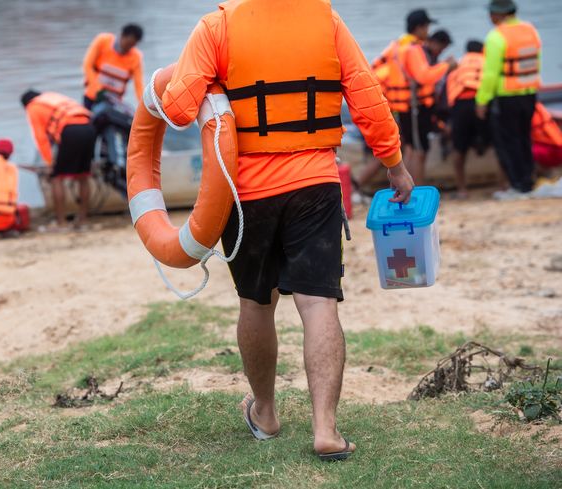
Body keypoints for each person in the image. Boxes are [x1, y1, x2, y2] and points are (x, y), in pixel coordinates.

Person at [160, 0, 414, 460]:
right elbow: (367, 97)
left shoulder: (217, 26)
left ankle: (266, 412)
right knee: (318, 303)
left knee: (257, 304)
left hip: (245, 194)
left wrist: (208, 77)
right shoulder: (326, 20)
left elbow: (178, 110)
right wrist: (394, 164)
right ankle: (326, 430)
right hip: (315, 185)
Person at [372, 9, 456, 185]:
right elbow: (424, 76)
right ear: (419, 27)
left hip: (403, 107)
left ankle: (404, 187)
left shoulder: (396, 45)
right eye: (426, 27)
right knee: (419, 151)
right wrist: (446, 66)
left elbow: (376, 66)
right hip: (415, 108)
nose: (428, 32)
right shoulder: (414, 49)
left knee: (410, 149)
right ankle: (416, 190)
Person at [476, 0, 542, 199]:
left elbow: (490, 74)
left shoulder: (497, 37)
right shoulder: (531, 30)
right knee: (524, 138)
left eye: (491, 13)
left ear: (499, 14)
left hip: (507, 97)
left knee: (509, 141)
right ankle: (528, 181)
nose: (490, 17)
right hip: (529, 94)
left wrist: (482, 100)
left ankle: (518, 185)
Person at [21, 90, 96, 229]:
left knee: (57, 177)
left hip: (70, 129)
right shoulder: (53, 97)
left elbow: (41, 138)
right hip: (89, 127)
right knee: (83, 176)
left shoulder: (33, 107)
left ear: (25, 104)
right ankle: (83, 219)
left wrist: (49, 163)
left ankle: (61, 222)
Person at [446, 40, 489, 198]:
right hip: (482, 104)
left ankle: (462, 190)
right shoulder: (486, 61)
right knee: (498, 144)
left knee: (459, 149)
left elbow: (448, 94)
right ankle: (504, 184)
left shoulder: (458, 65)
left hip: (461, 106)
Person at [82, 24, 144, 109]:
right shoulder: (102, 41)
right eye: (128, 43)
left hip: (113, 102)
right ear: (122, 35)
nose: (128, 47)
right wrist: (97, 89)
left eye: (132, 45)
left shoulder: (136, 57)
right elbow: (87, 65)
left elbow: (138, 86)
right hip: (93, 97)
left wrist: (144, 106)